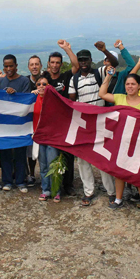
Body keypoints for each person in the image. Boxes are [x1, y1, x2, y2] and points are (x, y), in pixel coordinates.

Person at [68, 43, 117, 207]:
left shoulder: (100, 73)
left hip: (100, 121)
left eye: (86, 59)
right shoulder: (74, 79)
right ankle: (88, 191)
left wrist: (104, 50)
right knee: (83, 160)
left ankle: (111, 191)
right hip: (83, 123)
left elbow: (114, 64)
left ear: (90, 60)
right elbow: (70, 100)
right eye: (80, 59)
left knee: (103, 157)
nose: (83, 62)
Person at [98, 73, 140, 214]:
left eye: (133, 84)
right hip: (121, 141)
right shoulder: (119, 98)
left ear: (139, 85)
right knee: (119, 171)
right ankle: (119, 199)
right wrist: (108, 77)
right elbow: (102, 93)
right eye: (127, 84)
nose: (130, 86)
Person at [46, 40, 81, 196]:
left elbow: (76, 66)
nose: (55, 65)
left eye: (58, 63)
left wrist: (67, 49)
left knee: (67, 153)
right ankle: (55, 184)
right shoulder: (45, 78)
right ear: (48, 64)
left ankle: (68, 184)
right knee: (52, 155)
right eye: (52, 62)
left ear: (61, 64)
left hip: (67, 121)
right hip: (50, 123)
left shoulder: (66, 76)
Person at [0, 54, 31, 193]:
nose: (9, 68)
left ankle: (21, 181)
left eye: (11, 66)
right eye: (6, 66)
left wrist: (15, 95)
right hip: (5, 124)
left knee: (20, 153)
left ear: (16, 66)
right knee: (5, 154)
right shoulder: (0, 82)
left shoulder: (24, 81)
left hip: (20, 124)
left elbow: (27, 100)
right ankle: (7, 181)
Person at [32, 76, 61, 203]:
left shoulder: (54, 99)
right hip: (39, 137)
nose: (41, 86)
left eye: (44, 83)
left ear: (49, 85)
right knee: (43, 165)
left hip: (52, 137)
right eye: (39, 84)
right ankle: (46, 190)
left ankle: (56, 191)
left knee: (53, 165)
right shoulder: (33, 99)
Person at [25, 55, 43, 187]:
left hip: (44, 122)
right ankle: (31, 174)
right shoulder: (25, 81)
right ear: (28, 67)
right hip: (29, 121)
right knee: (30, 151)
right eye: (32, 64)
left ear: (41, 66)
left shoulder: (45, 80)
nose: (34, 67)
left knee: (44, 152)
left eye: (37, 64)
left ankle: (44, 176)